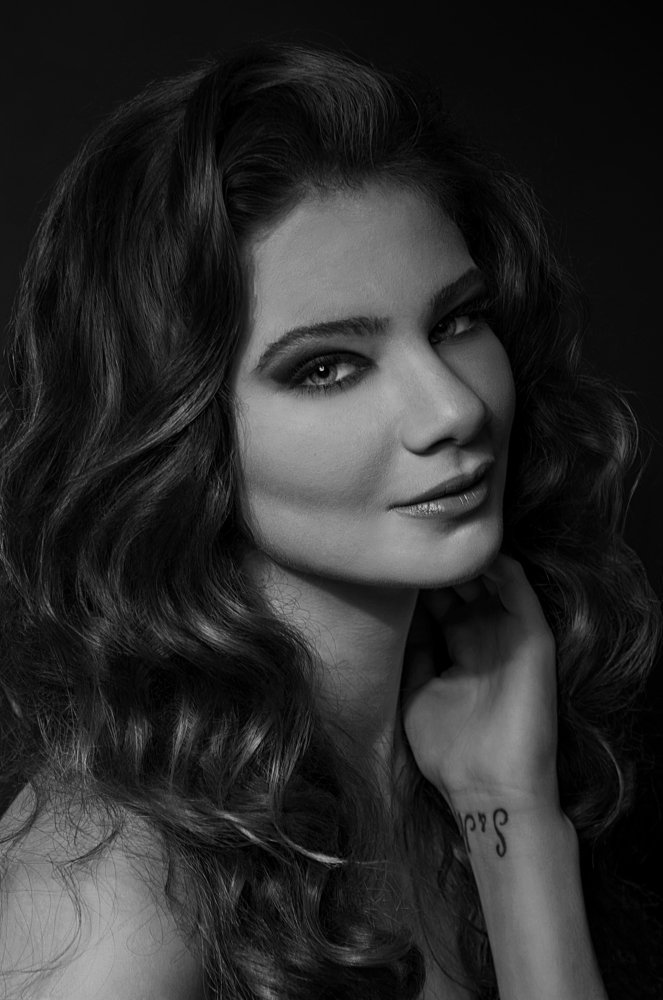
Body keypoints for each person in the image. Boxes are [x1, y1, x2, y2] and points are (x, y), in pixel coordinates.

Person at [0, 38, 660, 1000]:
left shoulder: (464, 773)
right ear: (172, 433)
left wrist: (510, 814)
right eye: (326, 367)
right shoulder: (106, 899)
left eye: (456, 322)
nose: (454, 409)